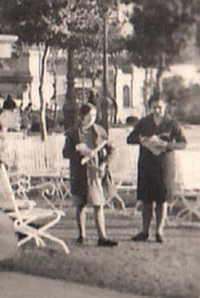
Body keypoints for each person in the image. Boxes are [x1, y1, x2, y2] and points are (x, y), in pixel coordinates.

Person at [126, 96, 188, 243]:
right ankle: (144, 231)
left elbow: (183, 143)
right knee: (146, 199)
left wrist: (167, 145)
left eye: (160, 107)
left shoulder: (172, 123)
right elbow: (130, 139)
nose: (157, 110)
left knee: (162, 199)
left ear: (165, 107)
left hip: (164, 165)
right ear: (150, 108)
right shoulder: (144, 122)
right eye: (154, 107)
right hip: (147, 164)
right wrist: (142, 140)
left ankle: (159, 231)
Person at [63, 102, 117, 246]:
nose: (91, 118)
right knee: (80, 204)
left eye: (93, 115)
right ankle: (82, 235)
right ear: (81, 116)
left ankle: (102, 237)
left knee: (98, 204)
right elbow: (66, 153)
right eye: (88, 116)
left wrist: (104, 164)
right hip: (80, 173)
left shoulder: (100, 132)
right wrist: (80, 153)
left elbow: (112, 150)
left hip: (95, 173)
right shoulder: (73, 133)